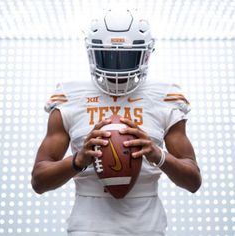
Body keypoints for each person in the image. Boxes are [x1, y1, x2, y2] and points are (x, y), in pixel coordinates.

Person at [31, 9, 201, 236]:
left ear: (146, 55)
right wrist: (78, 160)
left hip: (147, 227)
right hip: (87, 227)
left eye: (127, 57)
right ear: (93, 54)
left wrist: (157, 154)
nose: (118, 67)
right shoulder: (69, 95)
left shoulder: (165, 96)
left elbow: (193, 181)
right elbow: (39, 181)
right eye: (108, 56)